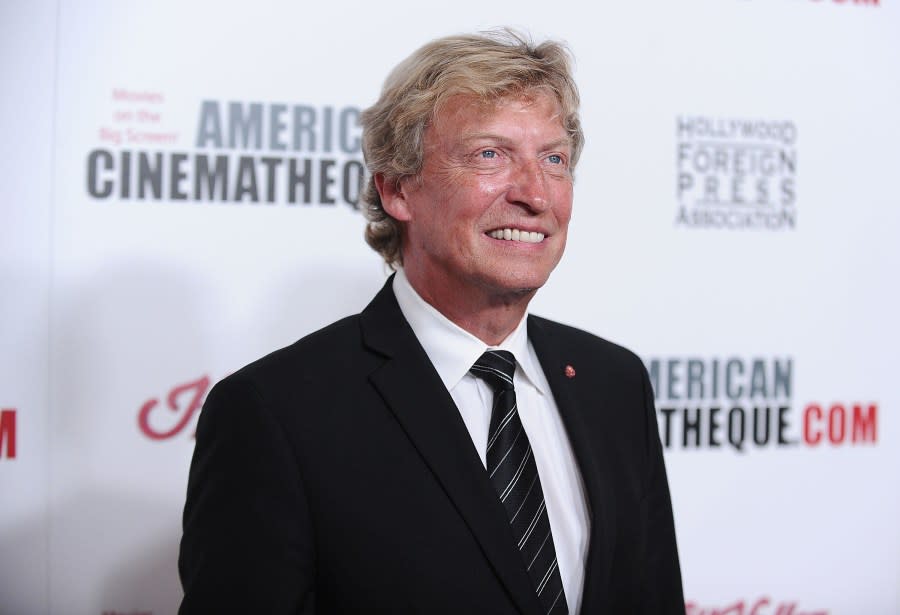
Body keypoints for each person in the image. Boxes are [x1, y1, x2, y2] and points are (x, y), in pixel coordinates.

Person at [178, 30, 683, 614]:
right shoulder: (276, 413)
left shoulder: (613, 383)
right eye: (489, 155)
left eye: (553, 159)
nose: (535, 195)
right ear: (396, 189)